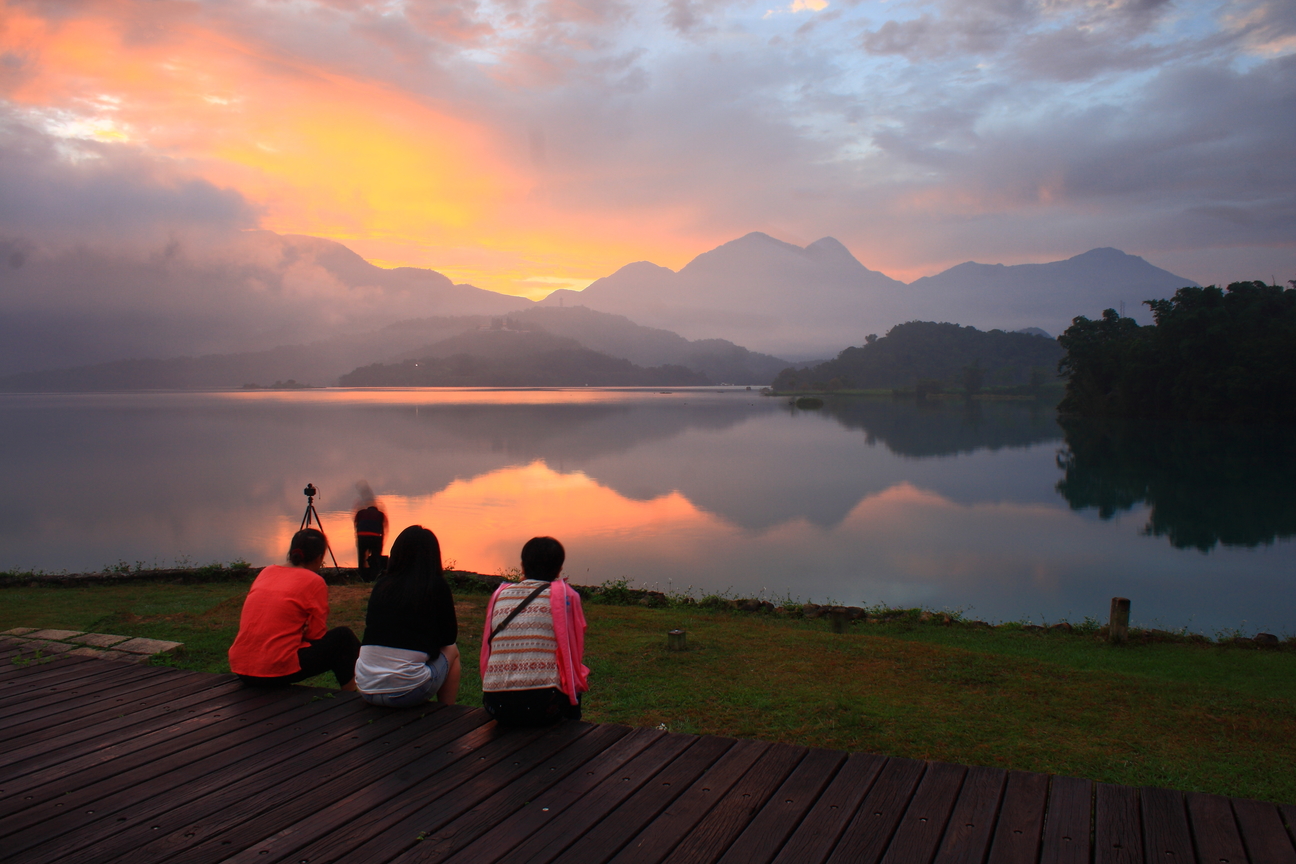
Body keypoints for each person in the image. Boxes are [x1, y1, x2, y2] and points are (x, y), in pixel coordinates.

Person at [228, 528, 360, 690]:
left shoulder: (267, 572)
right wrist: (302, 630)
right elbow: (315, 634)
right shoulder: (314, 581)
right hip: (271, 670)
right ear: (320, 558)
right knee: (343, 638)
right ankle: (351, 694)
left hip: (242, 668)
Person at [479, 536, 588, 726]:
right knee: (577, 676)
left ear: (522, 566)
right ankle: (572, 729)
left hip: (495, 705)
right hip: (544, 707)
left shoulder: (500, 595)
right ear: (559, 569)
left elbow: (486, 649)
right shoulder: (565, 597)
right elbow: (572, 655)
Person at [355, 525, 461, 707]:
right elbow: (449, 637)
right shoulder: (436, 585)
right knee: (452, 651)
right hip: (406, 692)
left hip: (366, 688)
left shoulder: (382, 585)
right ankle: (447, 713)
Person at [353, 481, 388, 582]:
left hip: (361, 536)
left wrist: (358, 539)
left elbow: (356, 525)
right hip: (375, 537)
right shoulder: (380, 515)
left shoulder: (360, 513)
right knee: (376, 557)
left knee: (361, 557)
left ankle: (362, 576)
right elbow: (383, 530)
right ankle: (374, 577)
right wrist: (381, 543)